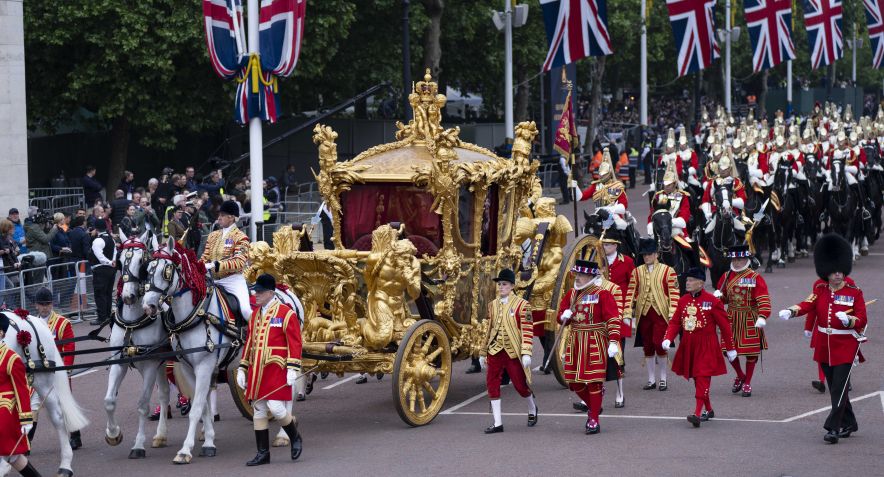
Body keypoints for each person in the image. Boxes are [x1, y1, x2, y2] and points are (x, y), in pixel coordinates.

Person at [778, 234, 867, 444]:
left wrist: (849, 320)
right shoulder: (820, 290)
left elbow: (862, 318)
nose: (838, 275)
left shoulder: (854, 292)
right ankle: (850, 422)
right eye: (834, 272)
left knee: (838, 388)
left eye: (840, 271)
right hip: (825, 347)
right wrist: (791, 311)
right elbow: (807, 305)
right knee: (838, 388)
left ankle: (833, 428)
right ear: (826, 272)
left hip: (845, 346)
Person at [237, 273, 303, 465]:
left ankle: (295, 436)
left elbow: (295, 343)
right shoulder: (255, 314)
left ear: (270, 293)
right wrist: (242, 367)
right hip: (258, 370)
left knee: (275, 407)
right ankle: (263, 453)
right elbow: (249, 343)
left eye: (259, 291)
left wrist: (292, 368)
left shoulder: (286, 313)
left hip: (277, 367)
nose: (256, 295)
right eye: (255, 291)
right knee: (259, 409)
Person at [662, 267, 737, 428]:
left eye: (690, 280)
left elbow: (725, 327)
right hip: (689, 345)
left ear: (700, 283)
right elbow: (675, 321)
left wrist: (730, 347)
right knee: (697, 378)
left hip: (707, 345)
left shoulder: (713, 301)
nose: (687, 283)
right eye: (687, 280)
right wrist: (668, 337)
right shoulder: (683, 300)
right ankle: (708, 409)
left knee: (702, 377)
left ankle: (697, 413)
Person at [557, 260, 621, 434]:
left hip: (595, 339)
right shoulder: (571, 294)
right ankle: (595, 405)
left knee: (593, 381)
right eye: (577, 275)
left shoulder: (603, 294)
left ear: (591, 277)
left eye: (581, 275)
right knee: (573, 382)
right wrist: (564, 316)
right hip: (576, 340)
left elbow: (613, 319)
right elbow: (561, 318)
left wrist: (614, 341)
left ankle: (593, 418)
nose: (577, 278)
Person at [480, 268, 537, 434]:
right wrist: (483, 352)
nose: (500, 287)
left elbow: (527, 329)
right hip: (495, 350)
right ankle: (498, 422)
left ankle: (532, 407)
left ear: (512, 286)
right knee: (492, 384)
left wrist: (526, 352)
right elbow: (489, 329)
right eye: (499, 284)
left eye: (504, 284)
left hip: (513, 351)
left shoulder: (522, 305)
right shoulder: (493, 305)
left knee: (520, 385)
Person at [714, 245, 770, 397]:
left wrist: (763, 316)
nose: (737, 262)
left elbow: (763, 299)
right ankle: (740, 374)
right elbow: (724, 299)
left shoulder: (755, 277)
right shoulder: (726, 276)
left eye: (740, 259)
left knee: (751, 352)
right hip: (731, 316)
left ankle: (747, 382)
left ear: (746, 259)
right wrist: (718, 297)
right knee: (727, 350)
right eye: (734, 259)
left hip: (749, 317)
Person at [624, 238, 679, 391]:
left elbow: (674, 293)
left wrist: (673, 314)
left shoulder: (668, 271)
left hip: (661, 313)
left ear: (656, 254)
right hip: (644, 314)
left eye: (649, 254)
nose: (646, 257)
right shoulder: (637, 271)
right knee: (647, 346)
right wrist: (628, 312)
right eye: (644, 255)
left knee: (659, 344)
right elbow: (630, 292)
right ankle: (651, 379)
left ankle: (663, 379)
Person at [33, 287, 81, 449]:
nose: (45, 307)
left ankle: (75, 436)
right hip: (38, 372)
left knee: (63, 402)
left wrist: (65, 369)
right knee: (32, 404)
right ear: (36, 305)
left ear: (52, 304)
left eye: (47, 304)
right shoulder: (32, 323)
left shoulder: (62, 322)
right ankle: (28, 442)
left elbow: (69, 347)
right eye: (42, 304)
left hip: (57, 371)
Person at [0, 313, 39, 477]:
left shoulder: (11, 358)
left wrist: (26, 418)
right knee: (14, 457)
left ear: (1, 333)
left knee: (12, 454)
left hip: (5, 411)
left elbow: (21, 389)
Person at [200, 200, 251, 322]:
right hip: (212, 280)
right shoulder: (213, 235)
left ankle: (253, 337)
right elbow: (205, 256)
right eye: (219, 215)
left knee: (245, 310)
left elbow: (239, 261)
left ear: (232, 217)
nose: (219, 218)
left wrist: (216, 265)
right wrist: (195, 265)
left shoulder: (241, 237)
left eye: (222, 215)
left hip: (233, 280)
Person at [602, 230, 633, 408]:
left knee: (618, 349)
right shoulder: (598, 261)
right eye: (604, 244)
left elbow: (632, 284)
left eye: (608, 244)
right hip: (601, 311)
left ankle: (620, 391)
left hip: (620, 309)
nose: (605, 248)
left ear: (615, 245)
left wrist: (629, 310)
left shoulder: (627, 261)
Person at [572, 148, 630, 230]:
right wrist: (575, 187)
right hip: (598, 215)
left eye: (604, 174)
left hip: (613, 215)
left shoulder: (617, 186)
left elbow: (623, 206)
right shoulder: (596, 186)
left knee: (622, 226)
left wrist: (609, 209)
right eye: (601, 174)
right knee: (587, 228)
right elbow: (580, 197)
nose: (602, 176)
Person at [89, 219, 117, 326]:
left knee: (100, 294)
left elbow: (99, 256)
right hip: (111, 269)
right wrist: (112, 262)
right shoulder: (111, 239)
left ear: (96, 229)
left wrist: (109, 262)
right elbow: (114, 252)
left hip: (101, 269)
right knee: (108, 293)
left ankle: (102, 317)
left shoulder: (98, 241)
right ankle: (108, 315)